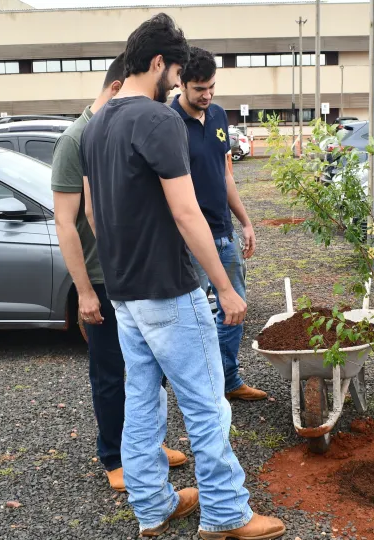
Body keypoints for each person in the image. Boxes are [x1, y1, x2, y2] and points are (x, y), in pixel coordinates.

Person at [79, 14, 284, 539]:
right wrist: (225, 285)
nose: (176, 79)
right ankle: (225, 513)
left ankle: (152, 507)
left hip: (124, 293)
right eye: (173, 70)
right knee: (206, 401)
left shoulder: (96, 123)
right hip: (168, 289)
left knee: (142, 403)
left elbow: (96, 215)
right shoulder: (157, 120)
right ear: (156, 64)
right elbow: (187, 213)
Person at [50, 53, 187, 494]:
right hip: (102, 279)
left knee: (149, 370)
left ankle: (148, 446)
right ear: (114, 90)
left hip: (135, 274)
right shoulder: (76, 140)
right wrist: (85, 291)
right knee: (110, 372)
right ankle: (113, 455)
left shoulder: (113, 127)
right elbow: (66, 222)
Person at [171, 46, 266, 402]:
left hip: (224, 236)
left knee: (235, 309)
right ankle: (200, 392)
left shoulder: (219, 116)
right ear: (181, 83)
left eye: (211, 86)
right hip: (191, 242)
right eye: (199, 89)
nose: (207, 95)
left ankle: (229, 379)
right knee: (193, 321)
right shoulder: (168, 123)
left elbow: (225, 175)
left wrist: (245, 222)